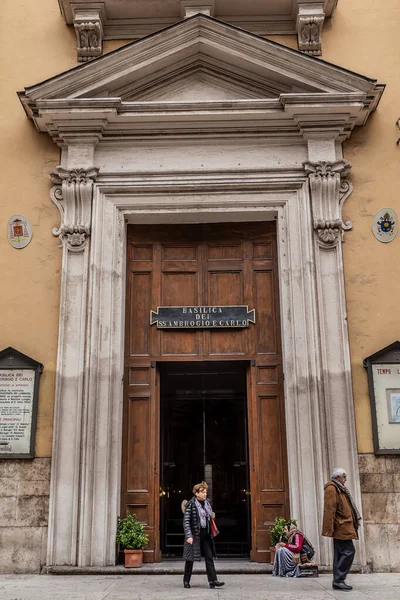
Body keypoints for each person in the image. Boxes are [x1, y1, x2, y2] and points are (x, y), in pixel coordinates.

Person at [322, 467, 362, 591]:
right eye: (344, 476)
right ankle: (339, 579)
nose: (345, 479)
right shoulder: (332, 488)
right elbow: (329, 509)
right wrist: (329, 529)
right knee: (349, 551)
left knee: (340, 554)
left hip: (344, 525)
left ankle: (338, 581)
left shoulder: (340, 488)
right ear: (338, 477)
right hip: (341, 526)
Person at [183, 481, 225, 589]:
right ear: (196, 493)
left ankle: (213, 580)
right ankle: (186, 580)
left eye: (205, 492)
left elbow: (209, 517)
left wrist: (212, 517)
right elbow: (186, 521)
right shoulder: (191, 504)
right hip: (194, 535)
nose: (205, 494)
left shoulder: (208, 503)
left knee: (209, 557)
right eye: (202, 492)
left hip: (206, 535)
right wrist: (189, 535)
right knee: (190, 559)